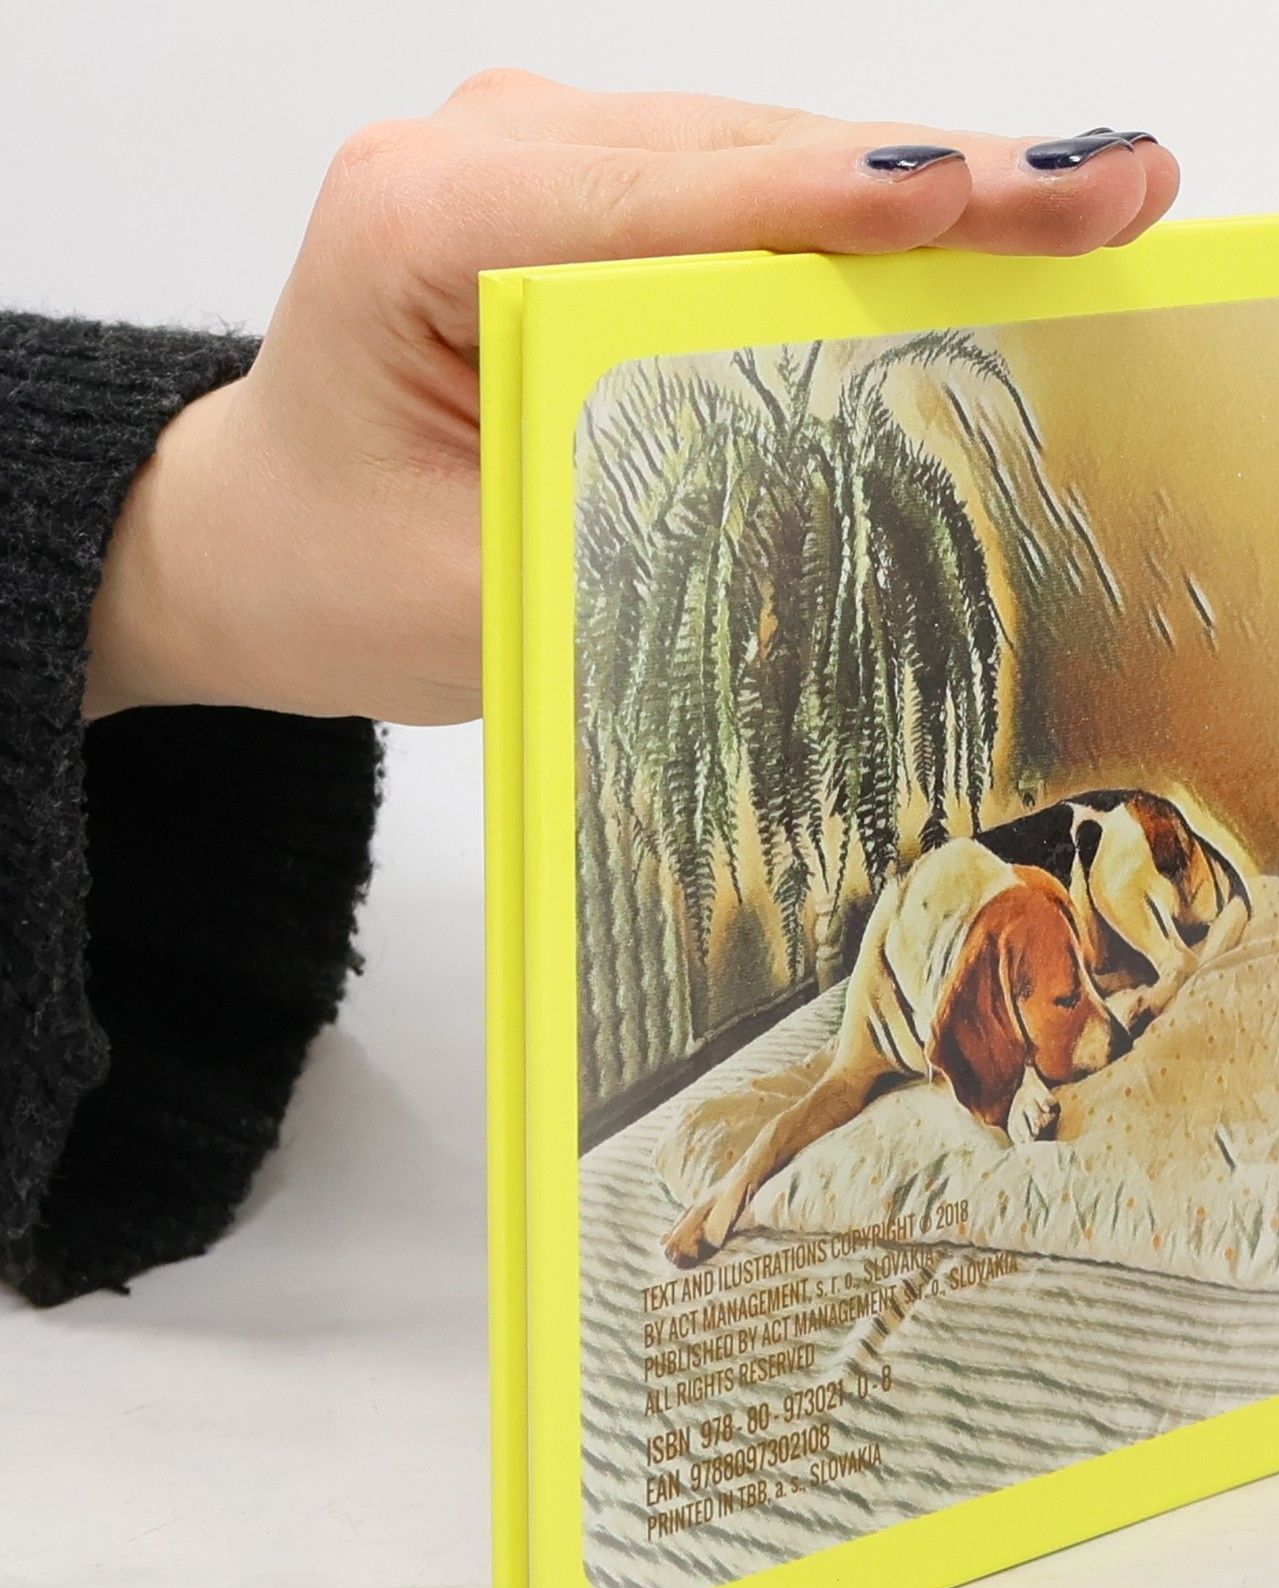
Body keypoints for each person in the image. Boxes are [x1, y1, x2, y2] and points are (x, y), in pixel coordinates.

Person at [0, 77, 1180, 1306]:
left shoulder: (1041, 904)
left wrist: (162, 558)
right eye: (1073, 994)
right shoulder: (940, 964)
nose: (1100, 1019)